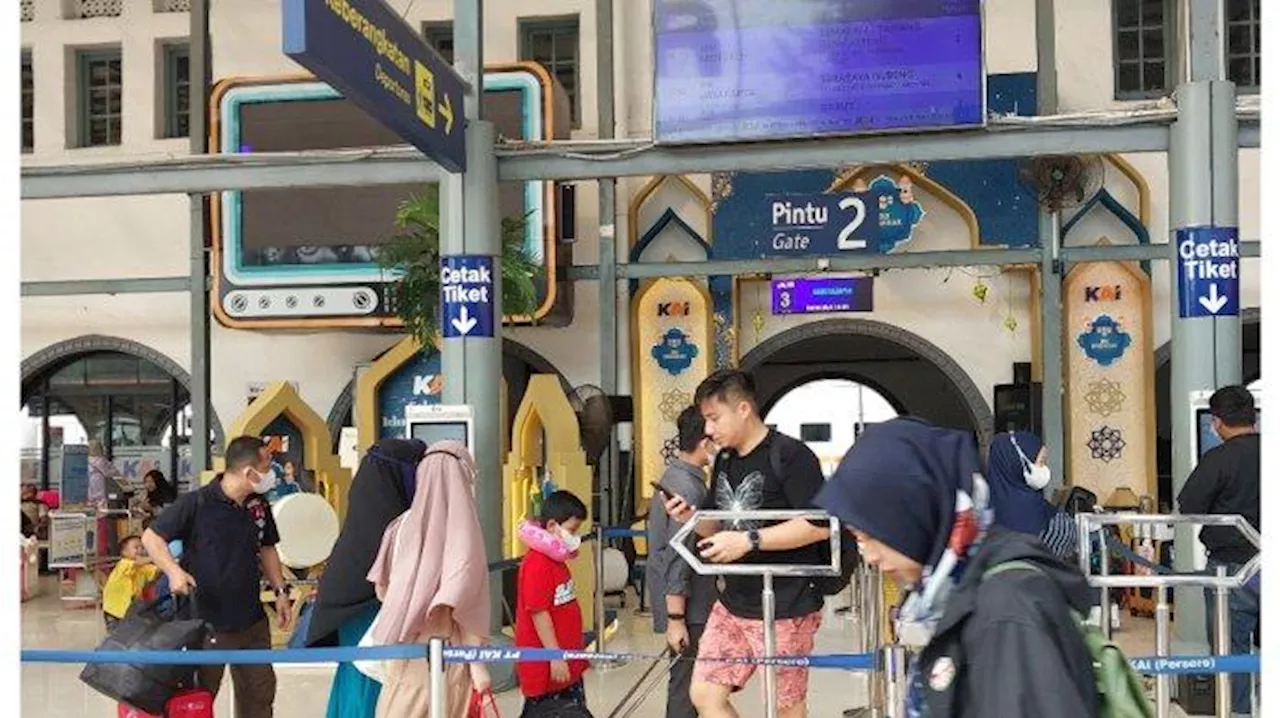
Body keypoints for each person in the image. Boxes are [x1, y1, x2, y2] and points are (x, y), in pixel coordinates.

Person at [815, 416, 1099, 718]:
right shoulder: (954, 588)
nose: (869, 556)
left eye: (873, 534)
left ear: (914, 514)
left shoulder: (1008, 608)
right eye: (858, 538)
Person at [663, 369, 830, 718]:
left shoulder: (791, 455)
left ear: (742, 409)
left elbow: (820, 524)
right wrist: (688, 517)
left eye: (713, 418)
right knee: (705, 694)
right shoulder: (724, 460)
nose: (708, 430)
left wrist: (749, 540)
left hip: (786, 604)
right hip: (733, 601)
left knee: (786, 706)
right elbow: (716, 526)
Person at [141, 436, 293, 718]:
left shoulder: (258, 505)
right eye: (267, 466)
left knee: (259, 696)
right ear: (249, 473)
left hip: (252, 622)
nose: (273, 473)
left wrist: (281, 592)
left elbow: (268, 547)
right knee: (199, 698)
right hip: (206, 623)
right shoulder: (197, 503)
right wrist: (174, 571)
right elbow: (151, 538)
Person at [365, 440, 492, 718]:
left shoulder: (400, 525)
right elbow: (466, 606)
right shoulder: (465, 534)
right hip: (447, 655)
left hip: (401, 650)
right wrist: (477, 665)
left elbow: (382, 589)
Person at [311, 439, 428, 718]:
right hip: (369, 610)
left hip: (353, 611)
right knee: (369, 680)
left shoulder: (368, 511)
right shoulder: (392, 522)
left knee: (355, 676)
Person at [1177, 385, 1260, 717]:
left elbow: (1189, 505)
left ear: (1217, 421)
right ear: (1253, 416)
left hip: (1231, 570)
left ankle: (1238, 711)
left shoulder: (1219, 459)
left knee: (1231, 648)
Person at [646, 406, 718, 718]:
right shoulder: (688, 487)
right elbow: (678, 553)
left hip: (688, 600)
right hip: (690, 604)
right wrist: (676, 617)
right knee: (686, 685)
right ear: (705, 442)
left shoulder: (676, 476)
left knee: (690, 682)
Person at [515, 490, 591, 717]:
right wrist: (554, 656)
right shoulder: (536, 563)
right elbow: (539, 613)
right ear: (551, 526)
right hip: (547, 663)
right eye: (571, 531)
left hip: (568, 659)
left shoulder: (557, 560)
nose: (574, 537)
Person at [985, 432, 1077, 560]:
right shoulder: (1054, 523)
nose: (1044, 468)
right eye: (1041, 461)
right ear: (1017, 463)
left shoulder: (979, 517)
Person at [102, 535, 160, 631]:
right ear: (124, 552)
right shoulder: (124, 564)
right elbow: (139, 561)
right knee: (116, 634)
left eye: (142, 548)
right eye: (136, 547)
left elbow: (157, 570)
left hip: (129, 609)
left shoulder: (142, 567)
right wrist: (156, 557)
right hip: (114, 610)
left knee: (130, 633)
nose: (140, 550)